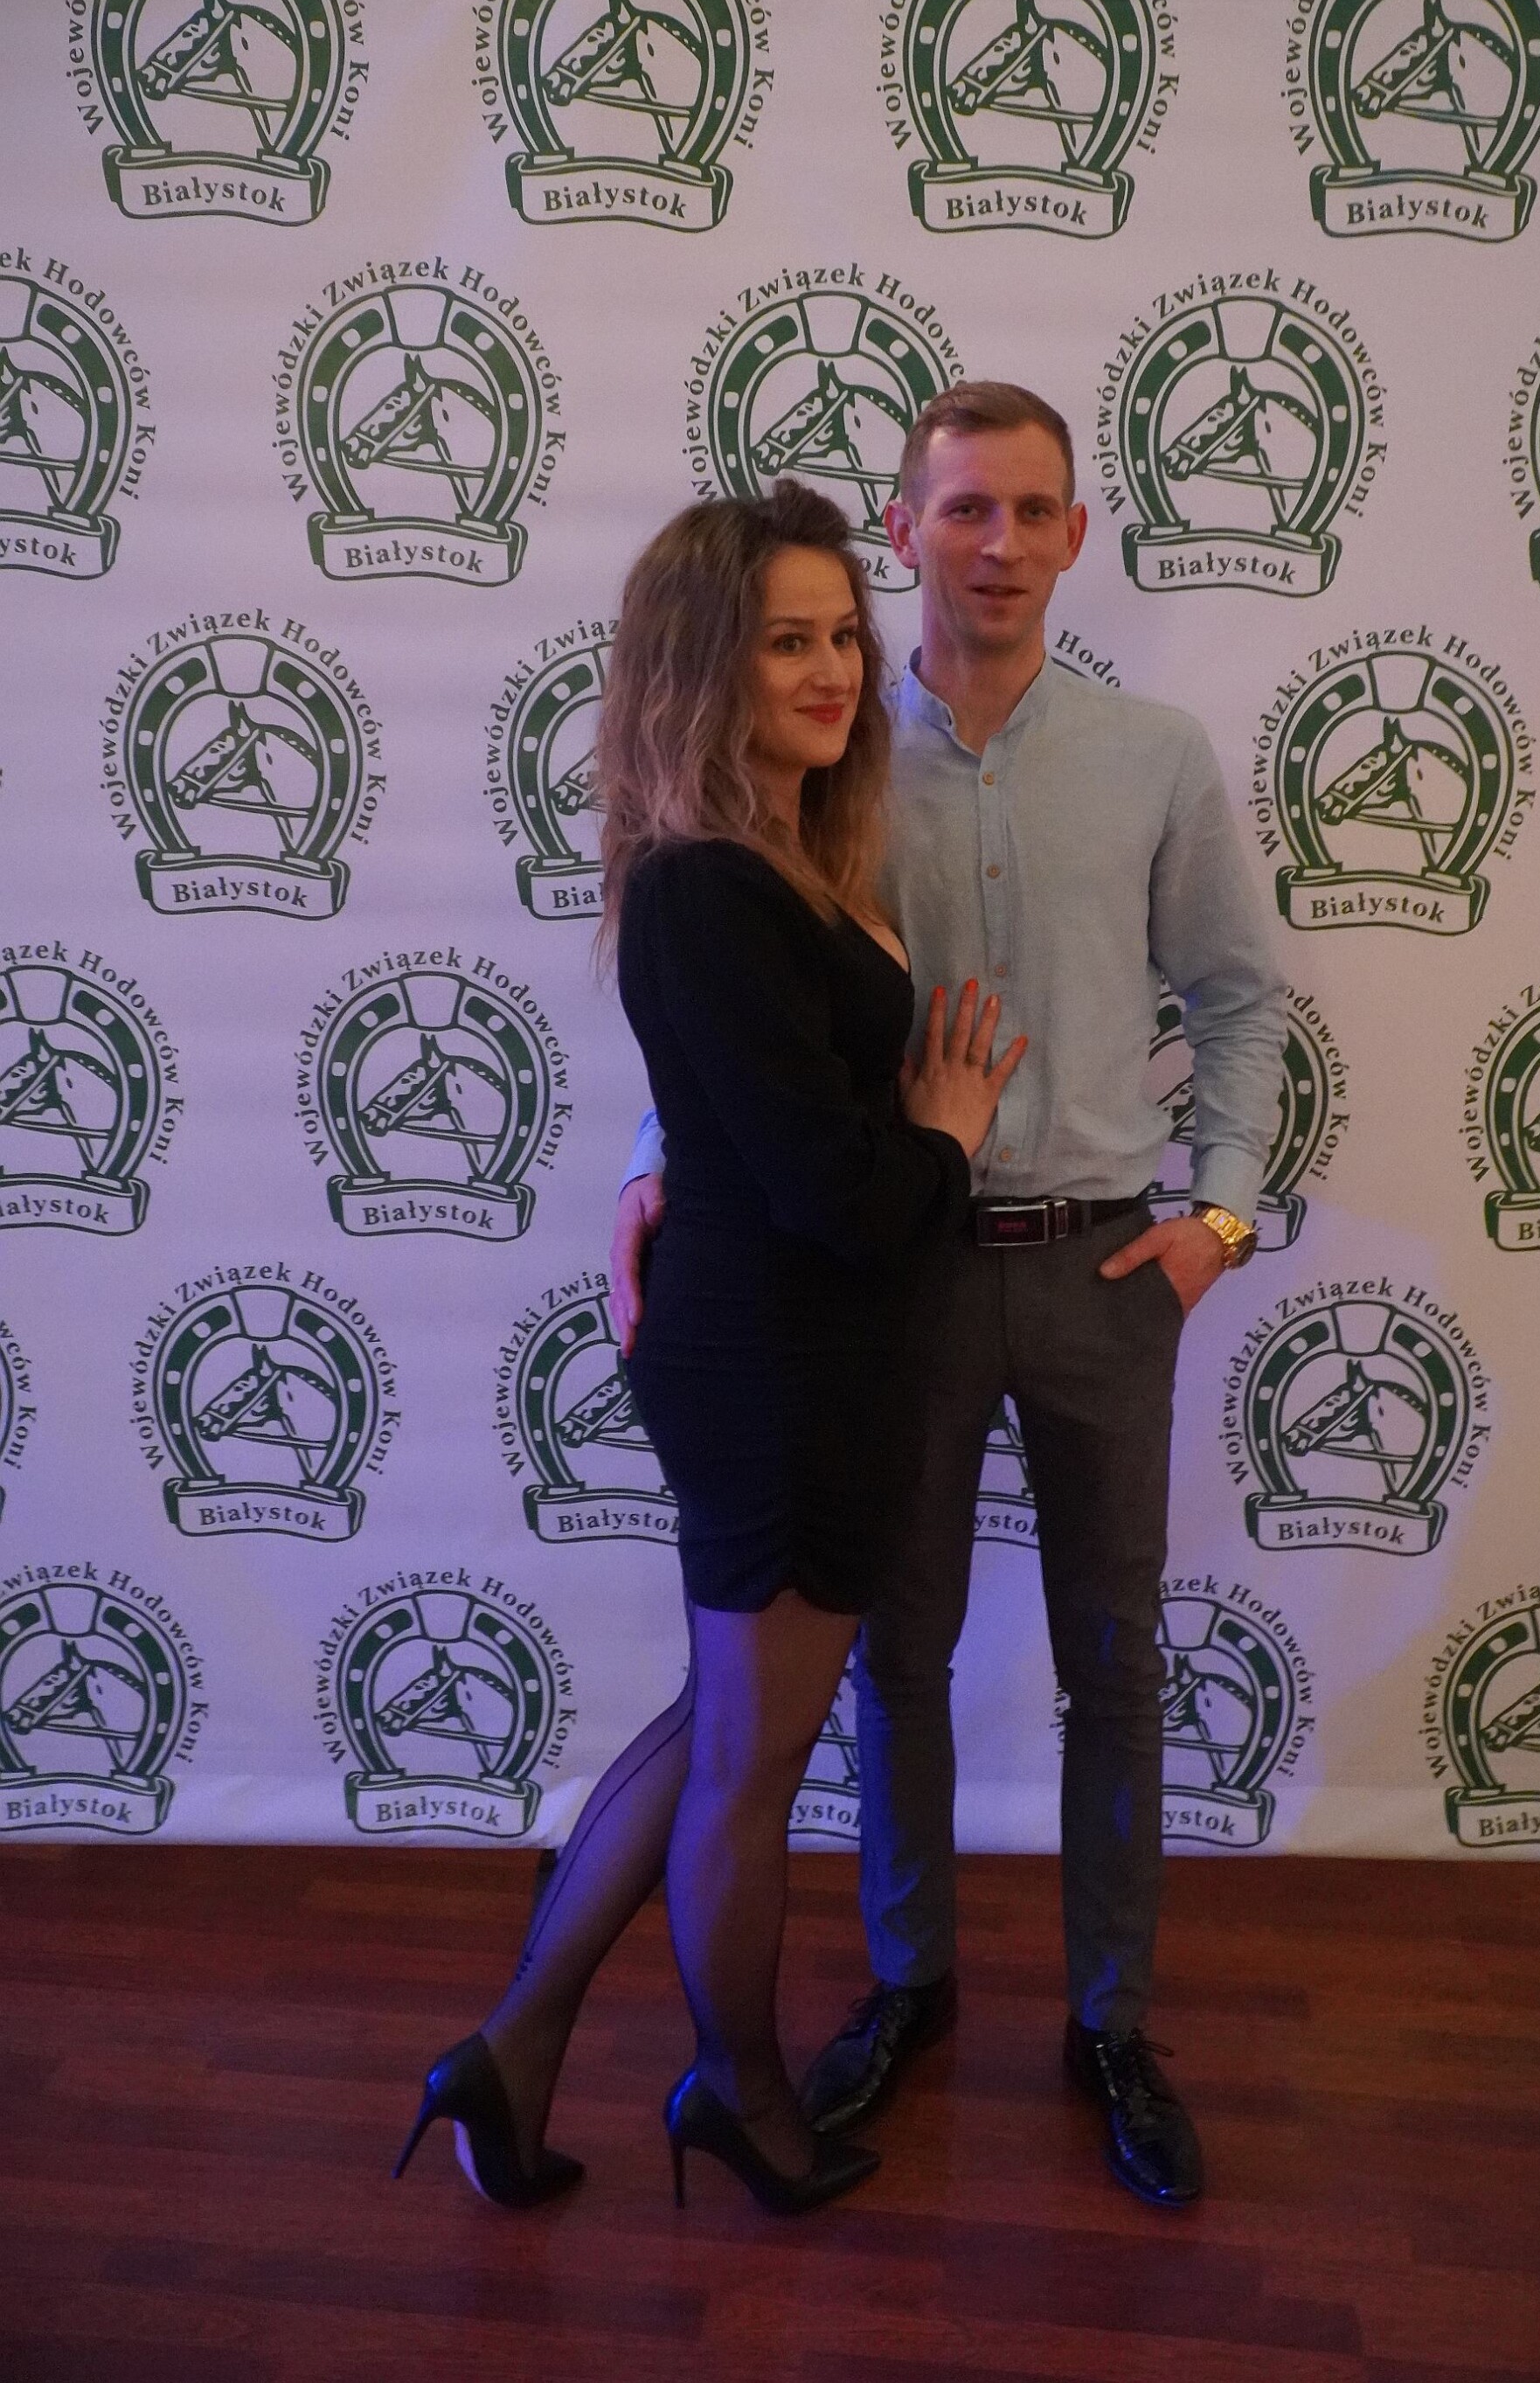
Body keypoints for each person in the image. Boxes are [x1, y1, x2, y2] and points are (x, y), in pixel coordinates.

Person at [612, 383, 1287, 2211]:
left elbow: (1240, 996)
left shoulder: (1154, 756)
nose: (999, 543)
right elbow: (740, 1003)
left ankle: (1111, 2022)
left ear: (1076, 537)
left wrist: (1223, 1217)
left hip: (1101, 1267)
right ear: (904, 529)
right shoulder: (824, 751)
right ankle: (908, 1982)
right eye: (964, 508)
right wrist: (652, 1165)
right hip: (879, 1286)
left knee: (1115, 1661)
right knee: (895, 1656)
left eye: (1033, 510)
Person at [393, 478, 1023, 2215]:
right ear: (699, 666)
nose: (832, 670)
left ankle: (511, 2052)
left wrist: (897, 1141)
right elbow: (836, 1191)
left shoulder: (781, 858)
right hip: (778, 1364)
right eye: (783, 641)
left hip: (800, 1346)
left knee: (722, 1721)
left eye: (843, 635)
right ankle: (739, 2094)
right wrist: (949, 1134)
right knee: (752, 1760)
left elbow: (769, 1131)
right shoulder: (707, 890)